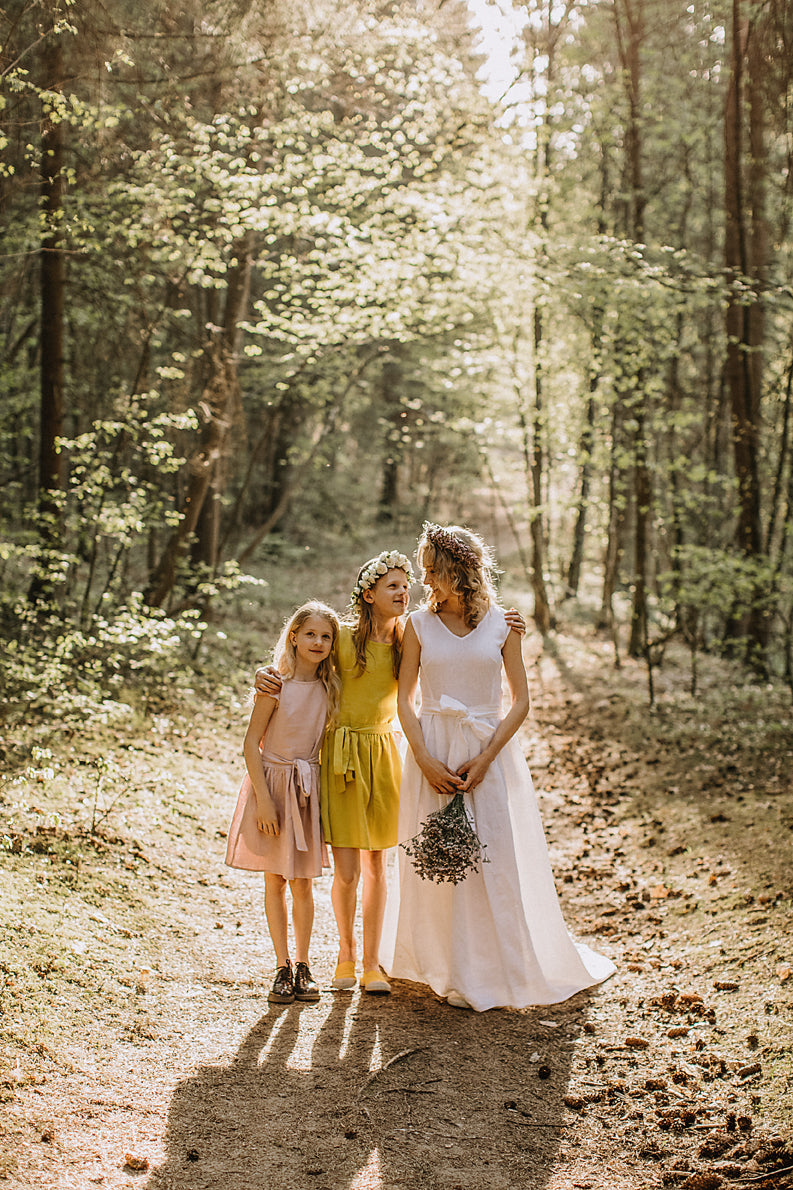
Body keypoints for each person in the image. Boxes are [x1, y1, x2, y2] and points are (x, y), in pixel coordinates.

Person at [255, 549, 527, 997]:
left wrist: (508, 623)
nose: (405, 592)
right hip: (342, 753)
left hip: (383, 753)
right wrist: (267, 678)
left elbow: (452, 651)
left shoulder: (410, 636)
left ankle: (372, 962)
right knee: (346, 870)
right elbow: (301, 661)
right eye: (393, 586)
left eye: (407, 585)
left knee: (378, 864)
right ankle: (344, 953)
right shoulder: (340, 639)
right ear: (369, 593)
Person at [381, 523, 616, 1012]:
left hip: (488, 751)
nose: (426, 580)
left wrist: (487, 757)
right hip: (432, 747)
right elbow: (404, 698)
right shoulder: (418, 626)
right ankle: (440, 962)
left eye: (432, 570)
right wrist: (423, 756)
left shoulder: (505, 625)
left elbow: (521, 701)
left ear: (457, 570)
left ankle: (492, 966)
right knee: (435, 858)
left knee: (492, 856)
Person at [226, 601, 341, 1005]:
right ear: (293, 636)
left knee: (303, 882)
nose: (318, 642)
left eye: (326, 636)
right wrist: (264, 801)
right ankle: (281, 965)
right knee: (274, 880)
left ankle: (305, 966)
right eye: (310, 633)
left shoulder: (331, 687)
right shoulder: (275, 685)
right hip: (272, 787)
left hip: (306, 789)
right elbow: (250, 745)